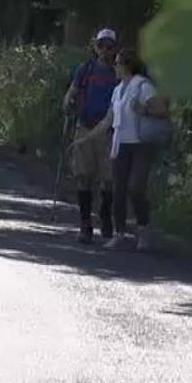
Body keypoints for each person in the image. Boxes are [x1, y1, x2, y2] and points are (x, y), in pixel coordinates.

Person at [71, 48, 170, 252]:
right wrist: (84, 140)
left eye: (117, 63)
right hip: (121, 145)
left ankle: (143, 231)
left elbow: (162, 109)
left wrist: (144, 110)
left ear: (126, 66)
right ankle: (120, 234)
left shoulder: (143, 86)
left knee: (135, 188)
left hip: (140, 145)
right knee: (118, 192)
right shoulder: (117, 91)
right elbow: (108, 121)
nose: (114, 67)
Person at [62, 28, 120, 244]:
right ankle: (85, 224)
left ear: (115, 49)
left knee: (108, 179)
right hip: (84, 127)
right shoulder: (85, 70)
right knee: (83, 176)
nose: (105, 50)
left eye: (109, 46)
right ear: (96, 47)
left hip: (109, 131)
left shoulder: (118, 73)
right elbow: (71, 93)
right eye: (101, 45)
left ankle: (105, 215)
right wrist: (68, 103)